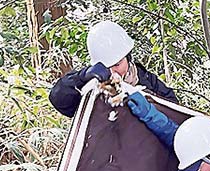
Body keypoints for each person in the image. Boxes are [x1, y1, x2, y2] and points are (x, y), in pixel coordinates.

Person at [49, 20, 177, 118]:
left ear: (127, 57)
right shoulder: (93, 87)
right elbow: (59, 100)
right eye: (107, 67)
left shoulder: (147, 80)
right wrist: (81, 77)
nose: (113, 72)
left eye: (117, 64)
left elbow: (173, 110)